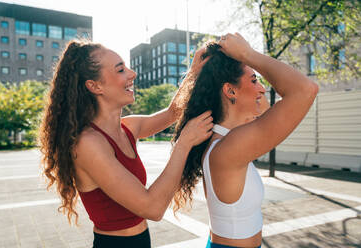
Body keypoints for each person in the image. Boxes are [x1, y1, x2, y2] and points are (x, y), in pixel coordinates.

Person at [39, 40, 213, 248]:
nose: (132, 74)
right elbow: (152, 208)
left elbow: (173, 112)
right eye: (121, 70)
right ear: (95, 86)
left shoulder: (128, 127)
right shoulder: (88, 144)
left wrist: (194, 70)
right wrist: (185, 143)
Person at [172, 33, 318, 248]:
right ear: (230, 90)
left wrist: (241, 61)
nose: (262, 87)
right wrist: (247, 54)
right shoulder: (228, 147)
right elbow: (305, 89)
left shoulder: (227, 139)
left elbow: (271, 105)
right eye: (253, 79)